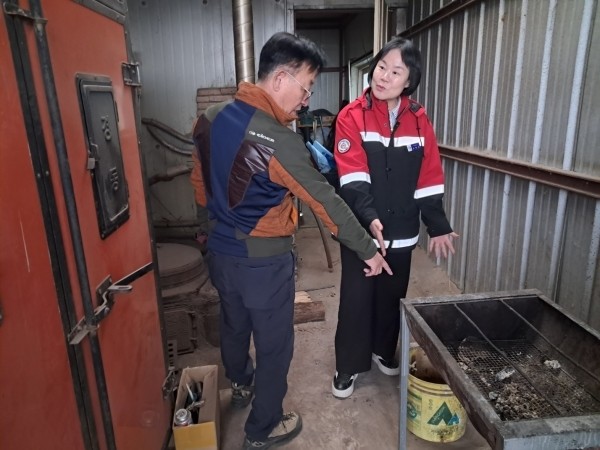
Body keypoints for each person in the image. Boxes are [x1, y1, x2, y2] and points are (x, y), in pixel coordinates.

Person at [190, 31, 391, 449]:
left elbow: (198, 183)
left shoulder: (210, 117)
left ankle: (240, 384)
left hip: (220, 254)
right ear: (281, 78)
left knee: (233, 324)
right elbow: (326, 202)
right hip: (263, 265)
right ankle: (261, 429)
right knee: (274, 345)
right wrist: (368, 250)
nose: (306, 99)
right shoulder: (278, 140)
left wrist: (211, 229)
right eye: (307, 87)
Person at [331, 37, 458, 399]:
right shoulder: (351, 116)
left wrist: (438, 225)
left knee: (392, 296)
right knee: (356, 299)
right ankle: (348, 364)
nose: (383, 76)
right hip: (361, 231)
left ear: (409, 81)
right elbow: (353, 176)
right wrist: (369, 218)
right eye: (381, 67)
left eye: (395, 71)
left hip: (402, 231)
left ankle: (383, 349)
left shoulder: (418, 119)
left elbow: (429, 175)